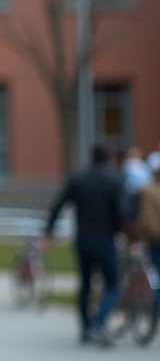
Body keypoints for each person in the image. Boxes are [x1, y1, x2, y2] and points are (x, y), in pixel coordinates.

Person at [44, 144, 124, 347]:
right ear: (109, 157)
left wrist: (48, 231)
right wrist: (119, 231)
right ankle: (98, 323)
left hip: (83, 238)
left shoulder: (78, 178)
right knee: (113, 284)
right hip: (105, 238)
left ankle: (86, 327)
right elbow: (120, 212)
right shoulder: (114, 180)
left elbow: (58, 204)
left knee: (85, 283)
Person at [126, 165, 160, 302]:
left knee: (156, 275)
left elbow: (138, 216)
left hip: (152, 237)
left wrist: (134, 235)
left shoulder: (145, 190)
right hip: (153, 236)